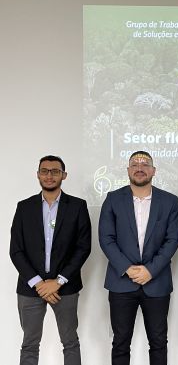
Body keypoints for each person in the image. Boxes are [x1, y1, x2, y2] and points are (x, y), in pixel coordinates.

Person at [99, 151, 178, 365]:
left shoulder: (169, 201)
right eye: (134, 163)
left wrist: (150, 270)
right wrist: (127, 268)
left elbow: (172, 240)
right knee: (120, 343)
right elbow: (106, 239)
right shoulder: (113, 199)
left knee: (158, 342)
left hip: (157, 283)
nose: (139, 167)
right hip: (121, 283)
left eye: (145, 164)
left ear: (153, 171)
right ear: (128, 170)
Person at [10, 155, 92, 365]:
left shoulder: (77, 206)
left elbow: (83, 248)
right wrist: (38, 283)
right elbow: (16, 250)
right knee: (29, 344)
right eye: (44, 171)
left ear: (64, 175)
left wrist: (58, 281)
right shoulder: (24, 207)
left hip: (65, 287)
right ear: (38, 174)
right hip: (30, 288)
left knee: (70, 342)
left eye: (55, 171)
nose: (49, 175)